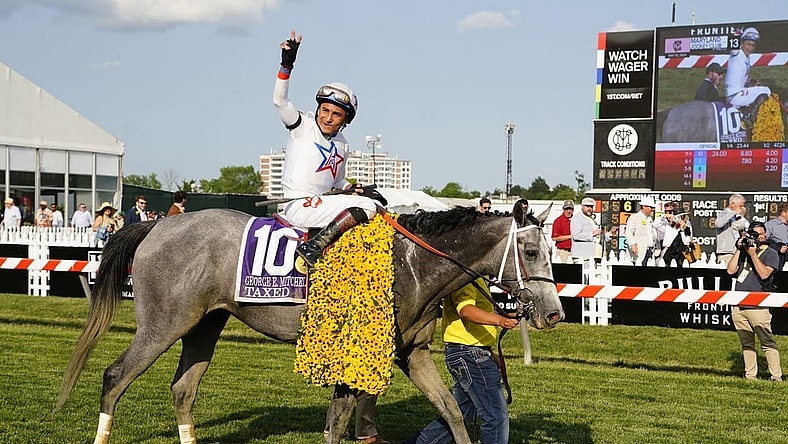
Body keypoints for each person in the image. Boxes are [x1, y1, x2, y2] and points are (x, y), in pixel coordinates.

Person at [274, 29, 379, 267]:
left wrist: (355, 188)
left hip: (320, 206)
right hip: (297, 208)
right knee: (368, 207)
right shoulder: (302, 126)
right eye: (325, 110)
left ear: (345, 120)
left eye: (336, 114)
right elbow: (280, 101)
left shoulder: (343, 144)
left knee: (372, 203)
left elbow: (337, 182)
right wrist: (286, 66)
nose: (328, 117)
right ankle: (314, 247)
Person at [403, 278, 519, 444]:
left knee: (459, 414)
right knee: (495, 416)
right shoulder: (467, 279)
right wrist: (500, 321)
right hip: (470, 356)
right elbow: (466, 310)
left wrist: (490, 352)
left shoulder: (474, 278)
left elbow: (471, 324)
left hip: (468, 353)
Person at [726, 221, 782, 381]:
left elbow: (764, 274)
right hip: (739, 304)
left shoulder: (771, 253)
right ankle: (750, 375)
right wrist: (739, 248)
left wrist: (752, 254)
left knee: (767, 341)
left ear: (765, 235)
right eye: (754, 234)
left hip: (759, 305)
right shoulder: (743, 250)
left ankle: (776, 376)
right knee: (746, 343)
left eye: (760, 234)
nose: (758, 237)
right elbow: (730, 270)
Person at [725, 27, 771, 125]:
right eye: (748, 44)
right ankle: (750, 116)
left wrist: (751, 81)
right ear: (742, 43)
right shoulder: (736, 53)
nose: (750, 48)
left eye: (753, 45)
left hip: (739, 92)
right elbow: (733, 45)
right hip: (734, 95)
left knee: (759, 88)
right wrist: (736, 33)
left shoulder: (746, 58)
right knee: (766, 90)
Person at [654, 202, 692, 267]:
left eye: (681, 217)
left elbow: (686, 242)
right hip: (667, 253)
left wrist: (682, 230)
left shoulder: (687, 228)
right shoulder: (668, 226)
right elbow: (655, 224)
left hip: (680, 254)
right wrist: (664, 216)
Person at [715, 193, 749, 266]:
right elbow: (718, 224)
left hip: (737, 252)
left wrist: (741, 216)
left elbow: (746, 226)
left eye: (743, 206)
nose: (742, 208)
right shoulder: (724, 213)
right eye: (741, 206)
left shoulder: (737, 216)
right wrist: (733, 212)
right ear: (733, 204)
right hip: (726, 253)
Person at [625, 196, 658, 266]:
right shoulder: (634, 217)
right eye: (651, 207)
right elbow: (629, 232)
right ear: (644, 207)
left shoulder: (650, 219)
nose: (653, 209)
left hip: (649, 250)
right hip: (639, 251)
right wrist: (633, 245)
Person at [570, 197, 600, 262]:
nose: (589, 208)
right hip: (582, 256)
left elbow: (597, 235)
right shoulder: (577, 218)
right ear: (582, 206)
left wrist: (608, 234)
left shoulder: (592, 219)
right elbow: (576, 235)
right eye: (587, 206)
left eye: (591, 207)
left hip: (594, 255)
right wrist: (592, 234)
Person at [765, 202, 788, 271]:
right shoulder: (770, 225)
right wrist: (778, 247)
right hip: (778, 260)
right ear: (783, 213)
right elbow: (764, 242)